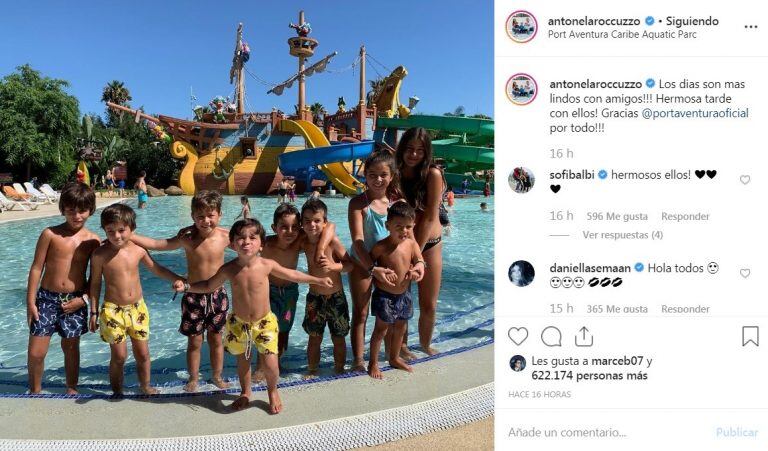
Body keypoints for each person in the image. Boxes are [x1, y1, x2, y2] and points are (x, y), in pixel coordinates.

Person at [174, 218, 333, 413]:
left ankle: (272, 391)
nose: (246, 241)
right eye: (240, 238)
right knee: (243, 362)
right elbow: (208, 286)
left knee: (271, 363)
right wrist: (188, 287)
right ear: (232, 244)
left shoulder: (266, 264)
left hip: (264, 323)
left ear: (261, 244)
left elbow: (292, 275)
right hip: (239, 324)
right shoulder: (229, 269)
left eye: (252, 237)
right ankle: (246, 392)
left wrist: (317, 279)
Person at [130, 191, 231, 392]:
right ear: (193, 216)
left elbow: (252, 247)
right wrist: (129, 235)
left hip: (218, 296)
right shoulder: (187, 237)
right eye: (200, 216)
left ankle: (217, 375)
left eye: (211, 215)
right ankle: (193, 378)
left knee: (216, 340)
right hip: (193, 295)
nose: (206, 221)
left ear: (219, 215)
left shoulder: (227, 236)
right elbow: (160, 245)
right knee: (195, 341)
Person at [88, 204, 184, 395]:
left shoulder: (138, 250)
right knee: (119, 356)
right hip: (112, 310)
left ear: (132, 229)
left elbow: (157, 269)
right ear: (104, 230)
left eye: (122, 230)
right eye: (110, 231)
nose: (116, 236)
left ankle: (146, 386)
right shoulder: (99, 255)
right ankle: (117, 391)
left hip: (137, 309)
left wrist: (178, 279)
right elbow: (95, 283)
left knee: (143, 353)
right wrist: (93, 311)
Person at [26, 183, 100, 394]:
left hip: (75, 300)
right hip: (46, 300)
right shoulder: (50, 234)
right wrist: (31, 301)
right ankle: (35, 390)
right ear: (63, 209)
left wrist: (84, 300)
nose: (76, 215)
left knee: (70, 348)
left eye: (82, 211)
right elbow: (36, 269)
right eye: (71, 210)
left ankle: (71, 387)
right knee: (36, 353)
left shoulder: (93, 240)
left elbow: (94, 280)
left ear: (91, 210)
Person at [260, 203, 337, 365]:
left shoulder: (299, 240)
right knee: (267, 330)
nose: (290, 232)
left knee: (285, 329)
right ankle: (262, 365)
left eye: (295, 227)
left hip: (290, 292)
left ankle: (277, 360)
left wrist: (320, 249)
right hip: (268, 292)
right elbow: (235, 237)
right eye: (284, 227)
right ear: (274, 227)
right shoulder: (265, 244)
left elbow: (330, 225)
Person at [347, 150, 402, 371]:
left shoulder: (397, 203)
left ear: (391, 176)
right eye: (372, 175)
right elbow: (358, 240)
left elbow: (407, 236)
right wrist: (372, 268)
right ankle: (359, 360)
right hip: (362, 263)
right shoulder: (358, 204)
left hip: (388, 264)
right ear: (365, 176)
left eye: (383, 174)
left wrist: (417, 262)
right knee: (360, 312)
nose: (378, 180)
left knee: (391, 313)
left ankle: (390, 354)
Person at [396, 127, 445, 357]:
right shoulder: (396, 173)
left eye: (420, 151)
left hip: (429, 242)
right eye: (409, 150)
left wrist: (417, 256)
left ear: (427, 153)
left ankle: (425, 344)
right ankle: (402, 346)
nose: (414, 155)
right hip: (403, 243)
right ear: (402, 149)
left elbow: (429, 217)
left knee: (429, 303)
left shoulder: (433, 174)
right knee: (400, 299)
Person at [367, 202, 425, 378]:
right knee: (381, 329)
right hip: (385, 295)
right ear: (387, 226)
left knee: (401, 326)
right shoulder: (381, 247)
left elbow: (420, 260)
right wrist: (376, 273)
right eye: (398, 226)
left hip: (404, 293)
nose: (404, 231)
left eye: (408, 226)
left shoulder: (412, 245)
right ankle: (373, 363)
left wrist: (417, 269)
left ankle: (394, 357)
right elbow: (368, 266)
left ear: (413, 225)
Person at [300, 199, 353, 378]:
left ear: (324, 222)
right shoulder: (304, 242)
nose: (312, 225)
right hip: (315, 298)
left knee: (338, 337)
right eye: (306, 221)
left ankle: (339, 368)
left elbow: (350, 265)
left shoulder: (332, 242)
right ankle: (312, 369)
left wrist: (333, 267)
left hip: (336, 297)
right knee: (314, 337)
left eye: (316, 220)